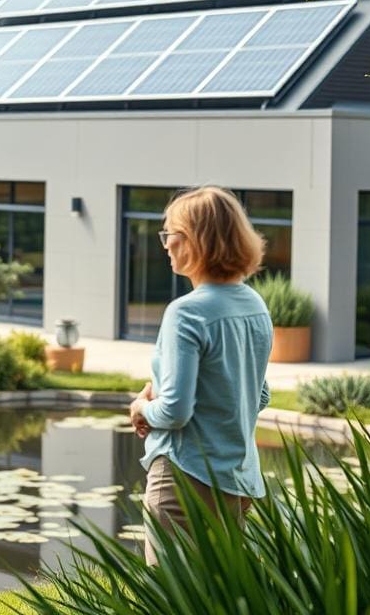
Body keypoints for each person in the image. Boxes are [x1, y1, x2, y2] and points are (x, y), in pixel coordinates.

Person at [128, 185, 272, 565]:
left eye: (170, 235)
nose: (165, 245)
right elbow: (259, 395)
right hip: (237, 480)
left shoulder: (186, 312)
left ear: (195, 241)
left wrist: (142, 407)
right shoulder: (255, 305)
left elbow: (175, 412)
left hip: (182, 480)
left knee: (169, 598)